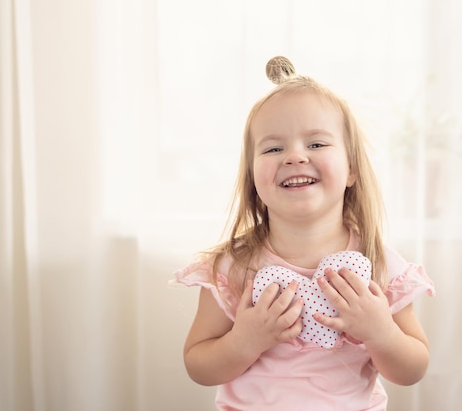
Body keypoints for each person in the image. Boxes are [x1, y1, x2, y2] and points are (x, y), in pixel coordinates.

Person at [172, 56, 435, 410]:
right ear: (252, 178)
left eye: (316, 144)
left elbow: (413, 369)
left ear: (351, 169)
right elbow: (198, 365)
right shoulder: (233, 267)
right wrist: (243, 341)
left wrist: (380, 331)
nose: (295, 156)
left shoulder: (378, 264)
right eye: (273, 148)